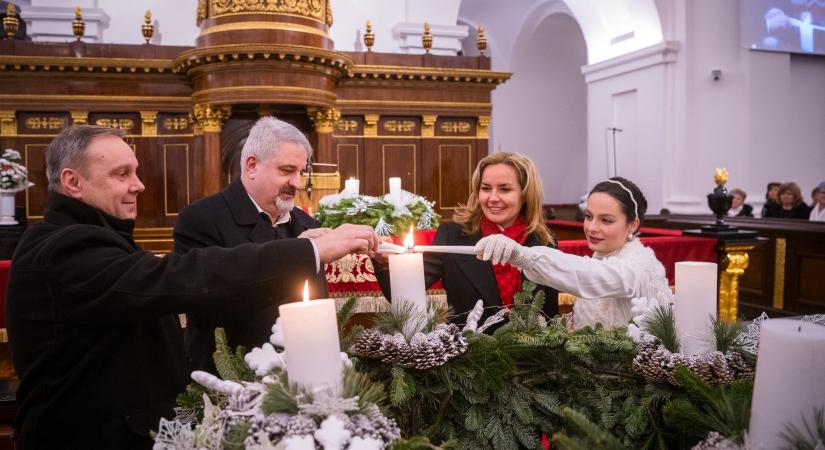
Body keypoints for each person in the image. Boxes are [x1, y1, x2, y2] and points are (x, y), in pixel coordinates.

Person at [6, 125, 379, 450]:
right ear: (73, 182)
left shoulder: (88, 240)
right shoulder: (65, 249)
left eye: (135, 172)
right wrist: (308, 250)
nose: (139, 185)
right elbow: (186, 277)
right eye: (122, 174)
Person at [174, 117, 329, 373]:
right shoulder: (201, 219)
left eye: (301, 172)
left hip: (304, 374)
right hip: (232, 378)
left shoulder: (307, 223)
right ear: (252, 165)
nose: (297, 183)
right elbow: (206, 310)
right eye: (286, 170)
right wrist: (292, 256)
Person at [372, 152, 559, 323]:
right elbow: (401, 294)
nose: (492, 198)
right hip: (470, 354)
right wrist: (384, 262)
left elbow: (550, 316)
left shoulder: (543, 242)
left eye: (504, 189)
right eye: (486, 188)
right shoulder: (452, 235)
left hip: (531, 357)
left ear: (525, 194)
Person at [474, 176, 672, 330]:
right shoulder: (602, 256)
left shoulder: (642, 264)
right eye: (588, 216)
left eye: (606, 220)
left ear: (633, 224)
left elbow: (593, 276)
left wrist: (523, 256)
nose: (592, 228)